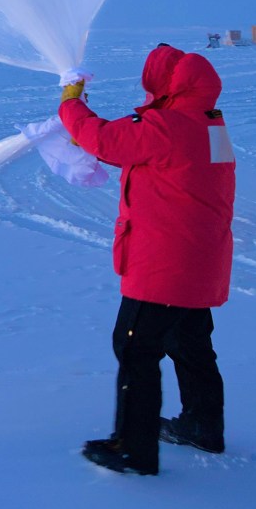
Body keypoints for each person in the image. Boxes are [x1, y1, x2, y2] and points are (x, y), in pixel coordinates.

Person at [58, 43, 235, 476]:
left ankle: (132, 448)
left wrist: (70, 103)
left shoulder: (167, 124)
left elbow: (105, 141)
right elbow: (148, 153)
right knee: (190, 343)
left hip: (165, 262)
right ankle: (202, 425)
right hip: (199, 259)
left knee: (135, 347)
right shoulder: (211, 124)